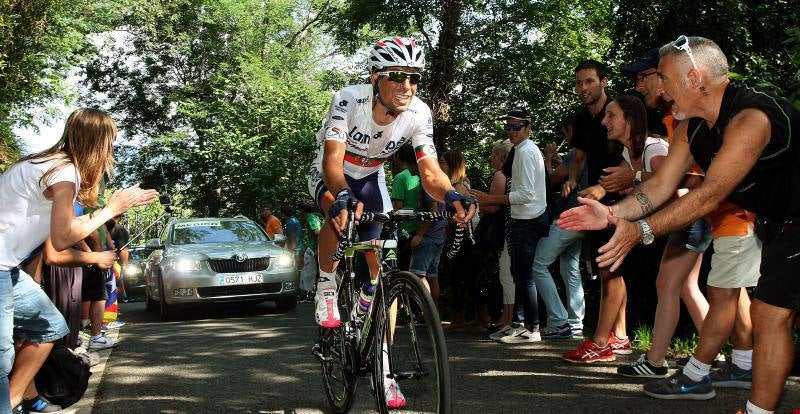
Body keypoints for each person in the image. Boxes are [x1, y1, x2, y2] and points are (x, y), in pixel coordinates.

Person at [557, 36, 800, 413]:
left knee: (769, 313)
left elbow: (709, 195)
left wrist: (642, 230)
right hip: (781, 222)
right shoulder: (692, 127)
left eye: (665, 79)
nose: (661, 90)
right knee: (769, 312)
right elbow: (659, 185)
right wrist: (613, 214)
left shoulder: (751, 119)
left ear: (694, 77)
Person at [306, 36, 475, 409]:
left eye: (414, 78)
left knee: (382, 273)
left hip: (372, 178)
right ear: (375, 77)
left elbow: (430, 171)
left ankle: (382, 368)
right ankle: (327, 286)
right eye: (397, 76)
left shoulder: (420, 113)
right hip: (331, 173)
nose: (407, 86)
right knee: (340, 210)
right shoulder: (349, 99)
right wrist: (342, 196)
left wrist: (451, 196)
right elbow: (333, 162)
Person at [0, 108, 157, 413]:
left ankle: (17, 399)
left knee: (48, 325)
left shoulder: (48, 165)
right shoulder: (64, 172)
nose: (110, 150)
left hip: (8, 269)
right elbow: (61, 239)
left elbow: (52, 243)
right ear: (98, 143)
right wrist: (111, 209)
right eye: (109, 142)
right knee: (2, 357)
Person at [615, 47, 714, 378]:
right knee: (685, 287)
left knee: (670, 285)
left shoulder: (685, 118)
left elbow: (690, 178)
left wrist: (637, 179)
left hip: (693, 214)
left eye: (644, 77)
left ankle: (657, 362)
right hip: (692, 215)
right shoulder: (674, 119)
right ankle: (716, 358)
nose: (639, 86)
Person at [562, 95, 668, 363]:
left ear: (629, 120)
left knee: (612, 270)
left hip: (674, 227)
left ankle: (601, 342)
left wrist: (633, 179)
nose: (605, 121)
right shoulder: (627, 151)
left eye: (611, 116)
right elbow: (613, 183)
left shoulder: (653, 148)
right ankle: (618, 338)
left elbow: (673, 179)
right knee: (611, 268)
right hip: (648, 227)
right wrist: (596, 192)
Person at [471, 108, 549, 344]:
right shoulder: (520, 150)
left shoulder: (526, 151)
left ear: (528, 128)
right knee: (517, 273)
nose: (512, 131)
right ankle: (517, 324)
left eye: (517, 127)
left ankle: (532, 328)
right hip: (522, 218)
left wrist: (489, 199)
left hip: (529, 219)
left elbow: (525, 194)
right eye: (509, 126)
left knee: (524, 276)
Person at [534, 115, 587, 340]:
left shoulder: (576, 153)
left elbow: (552, 181)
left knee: (538, 264)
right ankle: (575, 324)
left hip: (567, 218)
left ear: (572, 131)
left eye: (566, 133)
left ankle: (558, 320)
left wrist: (547, 159)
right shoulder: (588, 153)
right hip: (585, 218)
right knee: (570, 270)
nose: (566, 137)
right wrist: (558, 159)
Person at [439, 150, 487, 330]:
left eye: (443, 162)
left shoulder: (458, 187)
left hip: (464, 238)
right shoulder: (460, 185)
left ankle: (464, 319)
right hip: (465, 237)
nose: (440, 166)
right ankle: (479, 317)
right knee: (469, 278)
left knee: (461, 277)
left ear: (452, 165)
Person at [479, 139, 514, 335]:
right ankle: (507, 316)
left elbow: (493, 206)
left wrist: (476, 203)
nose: (490, 157)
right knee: (507, 274)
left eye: (493, 154)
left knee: (507, 274)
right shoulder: (510, 175)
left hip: (505, 231)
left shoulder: (501, 175)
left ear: (501, 157)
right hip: (508, 229)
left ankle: (508, 318)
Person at [390, 144, 421, 271]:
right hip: (420, 229)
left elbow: (398, 210)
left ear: (398, 156)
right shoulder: (418, 175)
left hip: (405, 232)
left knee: (402, 270)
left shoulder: (400, 177)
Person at [299, 202, 322, 301]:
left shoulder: (310, 218)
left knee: (307, 272)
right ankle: (315, 293)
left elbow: (317, 233)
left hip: (313, 249)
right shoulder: (314, 216)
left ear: (302, 210)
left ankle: (305, 295)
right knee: (316, 272)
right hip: (313, 248)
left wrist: (317, 250)